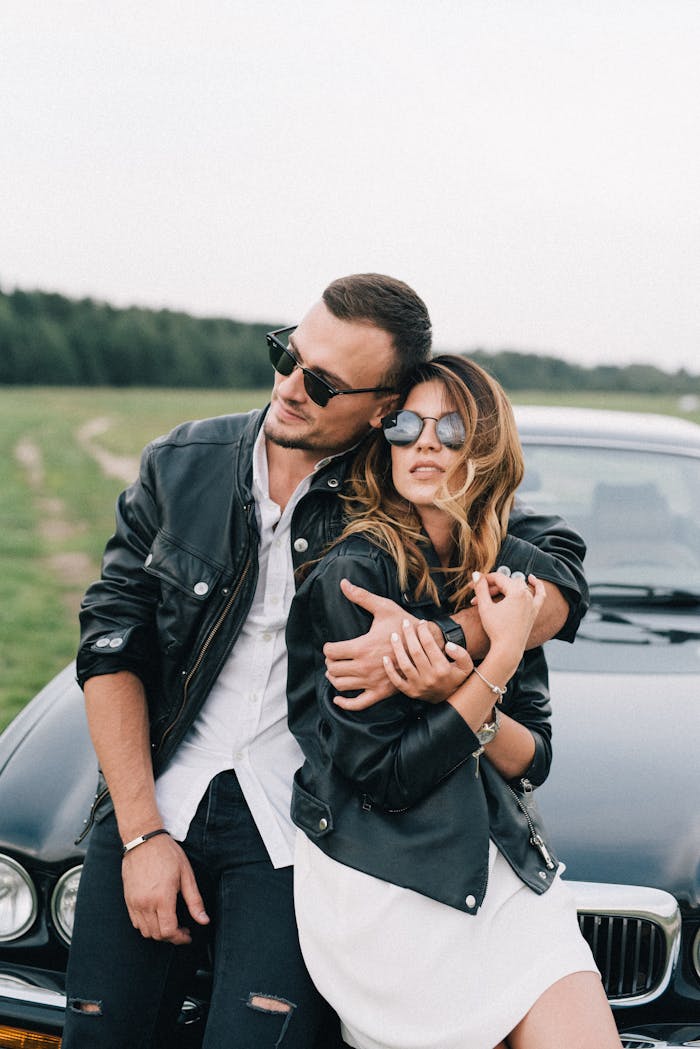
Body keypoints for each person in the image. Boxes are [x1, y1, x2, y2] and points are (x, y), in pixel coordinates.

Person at [64, 275, 589, 1049]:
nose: (289, 387)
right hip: (159, 788)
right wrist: (141, 836)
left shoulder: (397, 487)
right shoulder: (182, 463)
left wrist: (442, 638)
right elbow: (110, 638)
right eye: (287, 354)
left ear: (382, 408)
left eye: (321, 383)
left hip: (299, 819)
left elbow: (556, 568)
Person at [286, 355, 622, 1049]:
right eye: (406, 424)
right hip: (386, 876)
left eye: (450, 425)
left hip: (503, 865)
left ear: (486, 444)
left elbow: (533, 757)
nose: (426, 441)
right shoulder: (354, 572)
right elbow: (387, 775)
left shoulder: (505, 568)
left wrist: (463, 690)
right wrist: (494, 659)